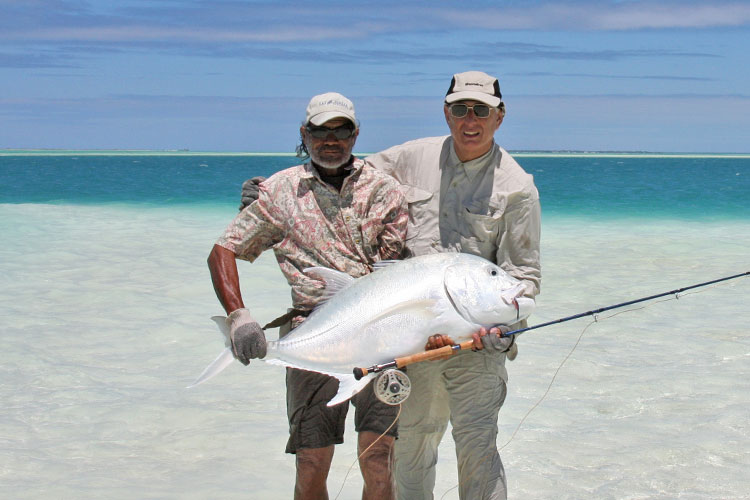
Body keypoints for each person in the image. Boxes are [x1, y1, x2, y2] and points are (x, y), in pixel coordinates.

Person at [240, 72, 542, 500]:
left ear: (500, 116)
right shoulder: (410, 157)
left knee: (477, 446)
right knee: (412, 448)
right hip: (410, 339)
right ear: (446, 112)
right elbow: (337, 169)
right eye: (460, 109)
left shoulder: (518, 188)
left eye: (481, 110)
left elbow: (524, 279)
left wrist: (504, 329)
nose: (470, 120)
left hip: (478, 345)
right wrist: (270, 191)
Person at [208, 92, 409, 500]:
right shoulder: (280, 191)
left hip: (382, 338)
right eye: (321, 130)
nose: (331, 139)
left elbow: (397, 276)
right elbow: (223, 250)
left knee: (379, 458)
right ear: (304, 134)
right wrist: (239, 317)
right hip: (312, 335)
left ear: (356, 135)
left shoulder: (385, 191)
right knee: (311, 461)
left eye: (341, 130)